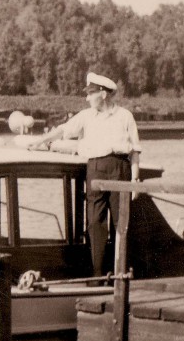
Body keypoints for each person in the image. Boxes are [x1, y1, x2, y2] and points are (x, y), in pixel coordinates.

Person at [30, 72, 141, 276]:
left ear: (104, 94)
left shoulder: (125, 116)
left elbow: (135, 150)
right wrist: (39, 141)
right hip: (96, 168)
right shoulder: (86, 116)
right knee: (94, 222)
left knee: (121, 222)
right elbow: (63, 130)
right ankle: (98, 274)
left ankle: (121, 273)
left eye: (91, 93)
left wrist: (135, 179)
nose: (87, 98)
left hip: (120, 168)